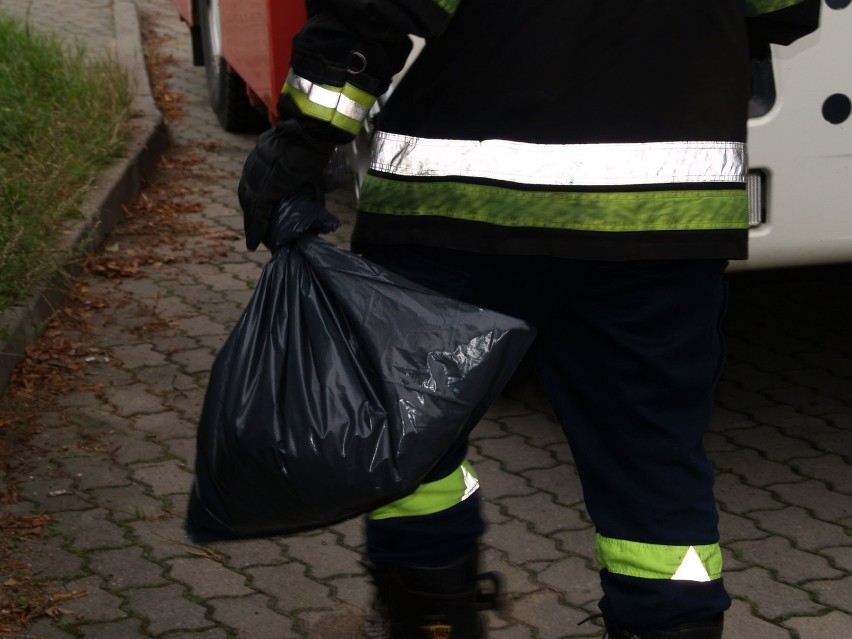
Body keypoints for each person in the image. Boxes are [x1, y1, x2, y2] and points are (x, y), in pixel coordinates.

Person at [237, 1, 820, 637]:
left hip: (461, 206)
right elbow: (785, 11)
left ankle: (432, 614)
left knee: (413, 429)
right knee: (652, 461)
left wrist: (303, 140)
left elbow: (372, 10)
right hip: (661, 217)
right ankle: (670, 624)